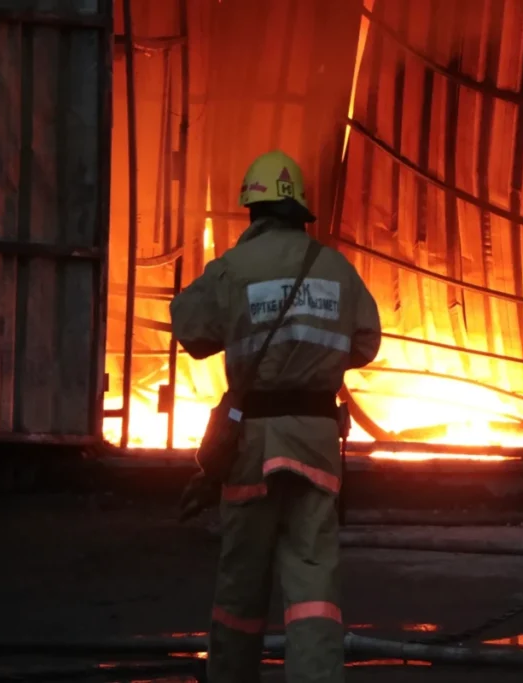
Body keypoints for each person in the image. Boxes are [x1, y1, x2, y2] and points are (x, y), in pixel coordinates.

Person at [169, 150, 381, 683]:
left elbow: (191, 331)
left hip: (254, 442)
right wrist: (315, 358)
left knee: (241, 582)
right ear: (299, 211)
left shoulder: (234, 268)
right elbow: (365, 343)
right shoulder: (336, 268)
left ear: (252, 210)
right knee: (314, 584)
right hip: (316, 440)